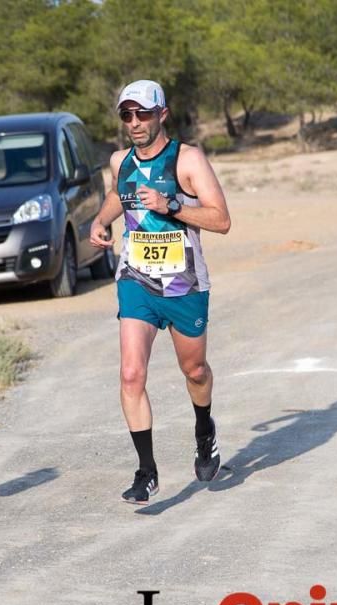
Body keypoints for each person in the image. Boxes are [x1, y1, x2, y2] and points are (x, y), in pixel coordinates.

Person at [89, 80, 232, 504]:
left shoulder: (187, 160)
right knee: (131, 374)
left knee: (196, 372)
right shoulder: (120, 161)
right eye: (126, 115)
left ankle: (204, 430)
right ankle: (146, 471)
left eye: (143, 114)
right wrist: (102, 221)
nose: (134, 123)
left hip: (185, 284)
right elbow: (119, 195)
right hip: (137, 280)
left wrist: (170, 206)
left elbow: (222, 220)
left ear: (162, 114)